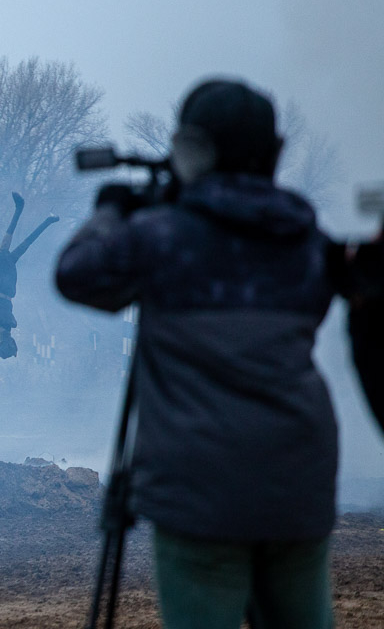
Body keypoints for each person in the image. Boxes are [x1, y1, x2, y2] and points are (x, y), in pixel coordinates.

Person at [56, 79, 337, 629]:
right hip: (299, 482)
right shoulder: (307, 241)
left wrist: (114, 211)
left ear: (191, 150)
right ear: (274, 153)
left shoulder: (165, 238)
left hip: (200, 491)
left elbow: (77, 275)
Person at [0, 192, 59, 358]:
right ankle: (19, 209)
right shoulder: (3, 320)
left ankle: (48, 220)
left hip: (7, 285)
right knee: (4, 247)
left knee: (23, 246)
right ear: (2, 338)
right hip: (1, 283)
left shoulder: (9, 321)